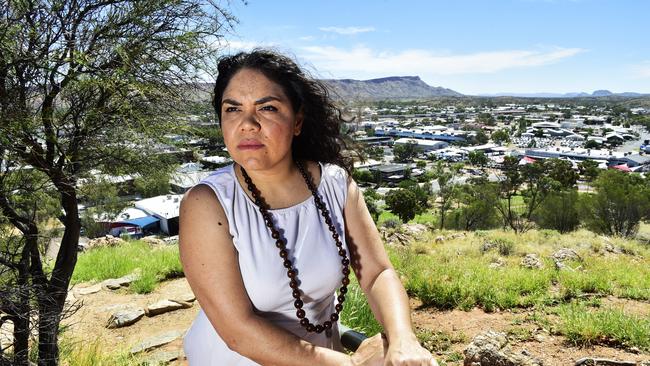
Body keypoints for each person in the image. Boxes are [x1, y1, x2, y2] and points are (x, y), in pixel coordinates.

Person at [179, 49, 437, 365]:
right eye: (233, 109)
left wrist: (402, 340)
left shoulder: (335, 185)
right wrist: (354, 364)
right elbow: (238, 332)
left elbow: (376, 272)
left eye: (267, 108)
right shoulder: (207, 203)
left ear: (297, 121)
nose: (247, 124)